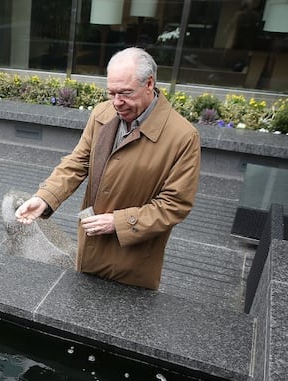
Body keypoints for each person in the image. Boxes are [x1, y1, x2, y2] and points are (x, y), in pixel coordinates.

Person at [15, 47, 200, 290]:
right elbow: (78, 161)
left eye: (125, 93)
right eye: (111, 93)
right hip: (89, 247)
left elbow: (175, 204)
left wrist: (118, 222)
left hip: (131, 262)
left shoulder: (183, 137)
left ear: (149, 83)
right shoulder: (103, 113)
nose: (117, 103)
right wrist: (44, 198)